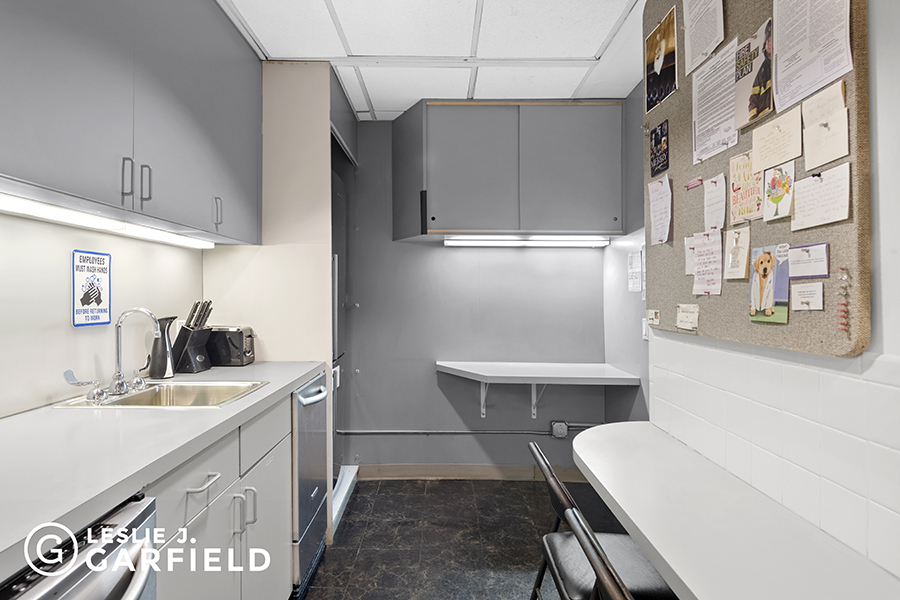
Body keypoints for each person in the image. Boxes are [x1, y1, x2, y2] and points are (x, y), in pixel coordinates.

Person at [748, 21, 773, 121]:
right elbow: (753, 98)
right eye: (767, 41)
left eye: (771, 40)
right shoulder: (762, 70)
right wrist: (754, 119)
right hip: (763, 118)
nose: (768, 44)